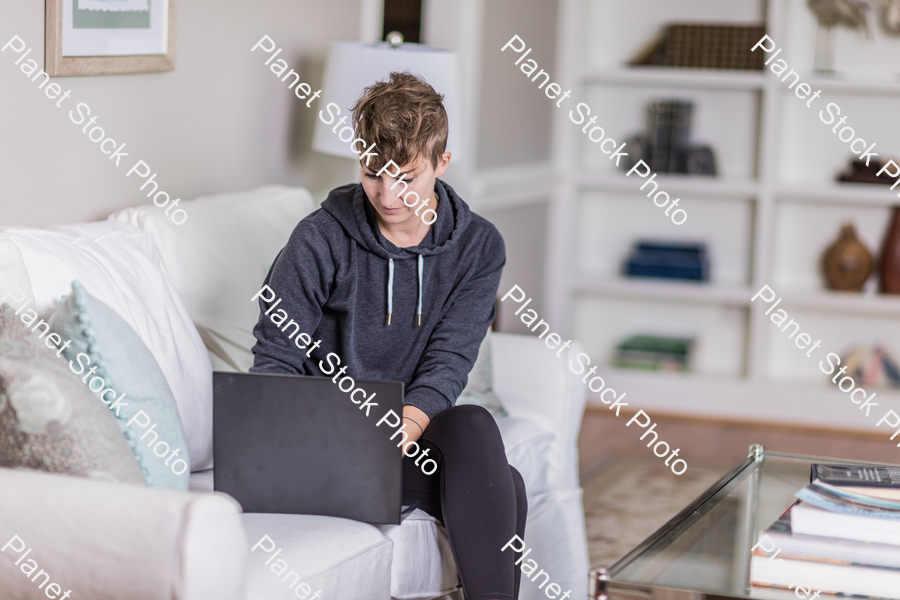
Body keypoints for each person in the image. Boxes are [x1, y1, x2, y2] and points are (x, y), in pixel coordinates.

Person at [249, 71, 527, 600]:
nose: (388, 193)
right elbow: (276, 358)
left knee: (470, 424)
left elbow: (450, 359)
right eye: (374, 173)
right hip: (323, 440)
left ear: (442, 164)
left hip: (405, 436)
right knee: (506, 487)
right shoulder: (320, 237)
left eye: (407, 176)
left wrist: (405, 423)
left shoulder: (478, 246)